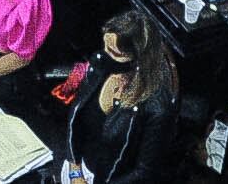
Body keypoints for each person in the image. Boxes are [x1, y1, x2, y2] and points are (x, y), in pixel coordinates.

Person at [63, 14, 182, 184]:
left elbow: (144, 172)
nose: (105, 55)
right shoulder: (98, 65)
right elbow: (76, 115)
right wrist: (75, 171)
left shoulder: (157, 109)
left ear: (138, 58)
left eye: (114, 52)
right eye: (105, 46)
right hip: (77, 167)